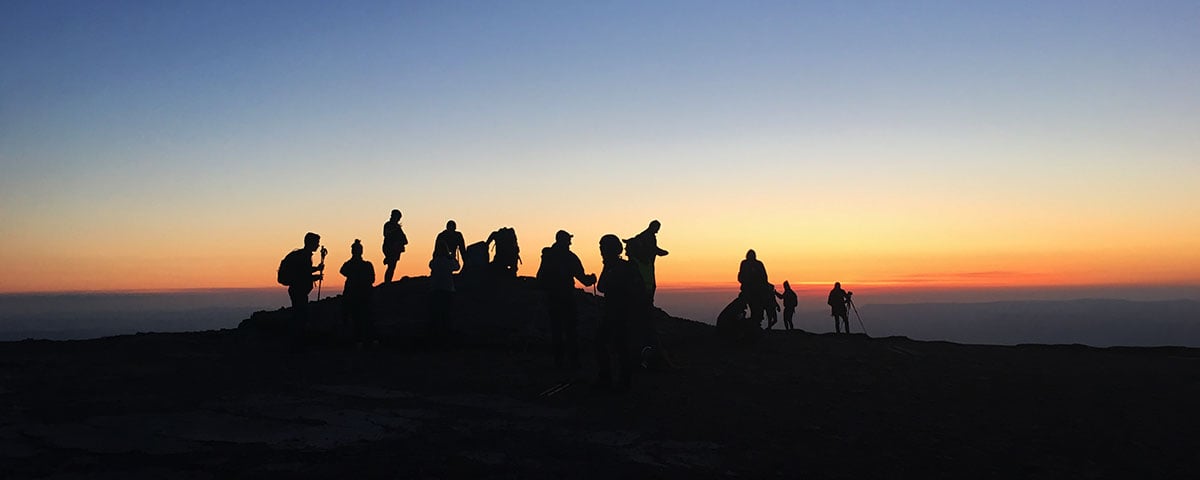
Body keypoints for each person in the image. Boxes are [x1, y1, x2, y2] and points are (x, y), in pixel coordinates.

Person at [535, 230, 597, 369]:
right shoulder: (570, 257)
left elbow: (540, 277)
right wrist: (592, 278)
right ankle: (574, 362)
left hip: (552, 298)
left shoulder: (548, 256)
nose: (570, 242)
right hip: (567, 298)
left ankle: (558, 362)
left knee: (556, 330)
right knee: (571, 331)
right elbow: (584, 280)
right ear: (565, 241)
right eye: (569, 239)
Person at [594, 234, 645, 392]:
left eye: (602, 248)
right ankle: (619, 380)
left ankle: (615, 380)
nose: (601, 251)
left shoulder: (618, 267)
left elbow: (603, 286)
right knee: (617, 346)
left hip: (619, 313)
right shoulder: (621, 266)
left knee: (616, 346)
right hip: (619, 313)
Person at [277, 232, 325, 344]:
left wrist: (316, 270)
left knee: (299, 314)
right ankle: (297, 342)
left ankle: (297, 340)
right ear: (311, 243)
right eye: (317, 243)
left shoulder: (303, 255)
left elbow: (304, 271)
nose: (318, 245)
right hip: (299, 291)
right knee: (300, 315)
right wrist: (315, 276)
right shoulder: (305, 256)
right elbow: (303, 275)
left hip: (296, 290)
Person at [340, 239, 376, 348]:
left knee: (359, 318)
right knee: (363, 318)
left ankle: (360, 340)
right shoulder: (366, 265)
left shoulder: (350, 265)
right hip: (361, 295)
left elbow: (343, 271)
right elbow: (372, 279)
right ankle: (364, 340)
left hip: (356, 295)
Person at [624, 220, 669, 303]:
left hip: (646, 263)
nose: (657, 230)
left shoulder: (645, 235)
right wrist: (661, 252)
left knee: (648, 284)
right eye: (657, 228)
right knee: (648, 285)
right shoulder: (647, 236)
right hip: (645, 263)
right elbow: (652, 248)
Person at [428, 244, 461, 346]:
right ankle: (448, 339)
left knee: (437, 315)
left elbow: (430, 265)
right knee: (447, 315)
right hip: (447, 290)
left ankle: (437, 338)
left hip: (435, 290)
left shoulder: (434, 262)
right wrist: (452, 258)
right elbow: (457, 267)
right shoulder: (449, 262)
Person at [737, 250, 768, 325]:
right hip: (747, 290)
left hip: (757, 291)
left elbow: (764, 277)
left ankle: (755, 324)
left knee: (757, 309)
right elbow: (740, 276)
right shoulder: (744, 263)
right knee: (740, 306)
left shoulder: (758, 264)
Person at [381, 209, 408, 284]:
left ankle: (388, 282)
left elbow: (405, 240)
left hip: (395, 249)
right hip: (389, 248)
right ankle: (387, 282)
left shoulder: (397, 227)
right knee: (391, 266)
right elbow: (386, 234)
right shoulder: (389, 225)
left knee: (392, 267)